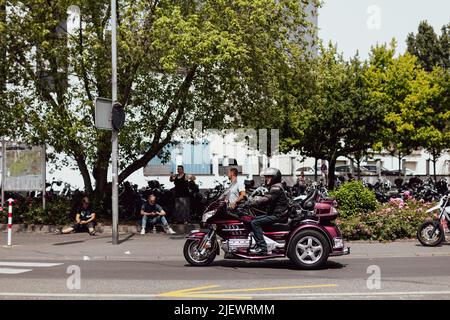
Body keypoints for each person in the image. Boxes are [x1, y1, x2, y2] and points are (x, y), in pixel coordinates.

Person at [246, 167, 289, 255]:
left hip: (277, 215)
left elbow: (267, 199)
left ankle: (262, 247)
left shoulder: (276, 187)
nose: (266, 179)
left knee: (255, 222)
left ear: (274, 178)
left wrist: (253, 202)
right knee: (252, 219)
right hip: (276, 213)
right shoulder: (275, 187)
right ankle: (256, 242)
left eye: (269, 177)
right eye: (266, 177)